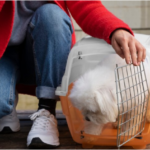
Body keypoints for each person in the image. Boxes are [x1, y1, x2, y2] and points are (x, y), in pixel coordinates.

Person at [0, 0, 146, 149]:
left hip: (44, 51)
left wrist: (116, 30)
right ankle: (7, 102)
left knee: (52, 15)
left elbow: (86, 5)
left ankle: (47, 109)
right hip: (2, 52)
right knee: (1, 103)